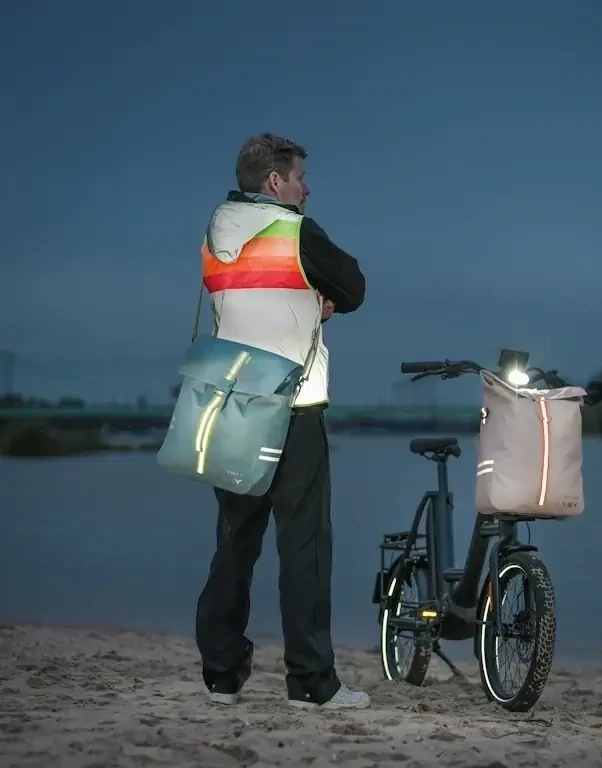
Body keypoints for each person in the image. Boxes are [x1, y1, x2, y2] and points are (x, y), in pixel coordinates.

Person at [194, 133, 368, 710]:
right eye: (299, 178)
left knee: (234, 543)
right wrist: (320, 301)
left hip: (233, 405)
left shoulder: (216, 231)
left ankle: (220, 674)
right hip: (293, 408)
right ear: (276, 182)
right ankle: (312, 683)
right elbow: (356, 286)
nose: (306, 187)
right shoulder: (298, 231)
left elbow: (244, 298)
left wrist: (302, 301)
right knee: (304, 546)